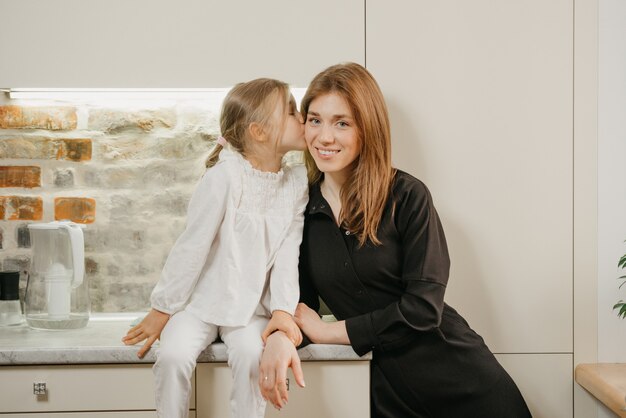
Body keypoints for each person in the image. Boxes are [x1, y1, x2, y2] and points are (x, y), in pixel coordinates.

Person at [259, 63, 532, 418]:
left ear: (367, 129)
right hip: (386, 394)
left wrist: (329, 332)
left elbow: (422, 309)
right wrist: (282, 336)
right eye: (314, 120)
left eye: (342, 122)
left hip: (463, 384)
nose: (324, 137)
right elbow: (300, 306)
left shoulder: (407, 196)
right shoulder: (300, 208)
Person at [122, 78, 309, 418]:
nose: (303, 117)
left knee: (254, 358)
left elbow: (287, 254)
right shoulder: (225, 177)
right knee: (174, 356)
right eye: (292, 111)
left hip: (251, 310)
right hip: (200, 304)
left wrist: (282, 309)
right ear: (259, 132)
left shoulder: (295, 185)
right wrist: (162, 308)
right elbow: (191, 246)